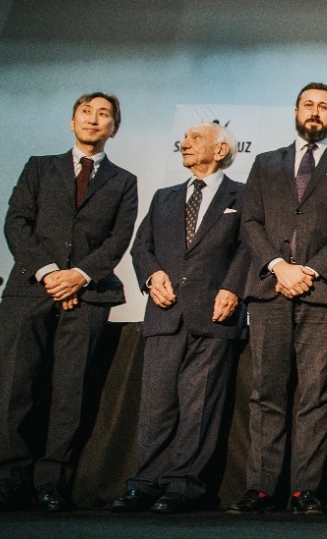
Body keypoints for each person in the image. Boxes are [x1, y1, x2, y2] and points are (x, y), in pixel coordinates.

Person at [0, 93, 138, 513]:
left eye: (104, 114)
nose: (94, 119)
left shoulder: (124, 181)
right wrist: (50, 273)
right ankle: (9, 481)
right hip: (31, 291)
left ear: (113, 128)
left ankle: (52, 482)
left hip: (88, 296)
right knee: (18, 387)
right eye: (86, 112)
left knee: (71, 391)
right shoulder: (39, 167)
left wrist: (78, 277)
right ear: (72, 122)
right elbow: (17, 223)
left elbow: (118, 241)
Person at [228, 82, 327, 515]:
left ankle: (304, 490)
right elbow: (250, 222)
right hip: (269, 291)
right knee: (267, 390)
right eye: (309, 104)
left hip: (321, 293)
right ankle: (262, 488)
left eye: (324, 107)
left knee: (315, 393)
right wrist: (278, 266)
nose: (315, 111)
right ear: (295, 110)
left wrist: (309, 270)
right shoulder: (266, 163)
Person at [109, 122, 248, 514]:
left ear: (220, 150)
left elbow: (249, 249)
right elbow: (141, 248)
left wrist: (234, 287)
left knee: (199, 406)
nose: (184, 143)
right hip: (165, 314)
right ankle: (145, 483)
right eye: (184, 139)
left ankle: (183, 485)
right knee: (156, 405)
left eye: (194, 139)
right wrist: (152, 275)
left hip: (214, 316)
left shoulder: (245, 196)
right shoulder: (164, 197)